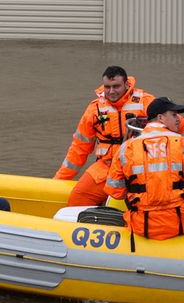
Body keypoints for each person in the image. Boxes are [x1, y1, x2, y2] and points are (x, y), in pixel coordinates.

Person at [55, 65, 170, 207]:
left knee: (148, 200)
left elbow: (177, 124)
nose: (111, 91)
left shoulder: (146, 101)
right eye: (107, 87)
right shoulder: (95, 108)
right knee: (79, 197)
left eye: (116, 86)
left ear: (126, 84)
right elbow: (79, 147)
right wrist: (59, 180)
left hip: (141, 166)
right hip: (107, 166)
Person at [106, 97, 184, 240]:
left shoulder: (126, 148)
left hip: (143, 225)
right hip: (181, 224)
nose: (178, 119)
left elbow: (115, 191)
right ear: (160, 118)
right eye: (174, 115)